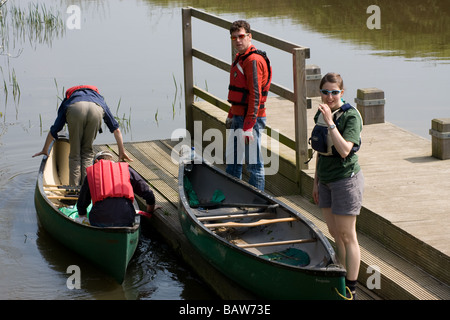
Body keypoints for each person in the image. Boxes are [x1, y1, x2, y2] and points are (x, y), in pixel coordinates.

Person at [311, 72, 364, 300]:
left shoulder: (351, 117)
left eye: (334, 92)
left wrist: (331, 122)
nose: (329, 96)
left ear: (342, 92)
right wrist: (316, 181)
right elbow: (320, 151)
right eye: (325, 92)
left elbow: (344, 150)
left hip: (346, 180)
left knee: (347, 234)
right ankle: (340, 277)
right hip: (325, 180)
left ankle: (351, 287)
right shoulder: (320, 113)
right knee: (334, 233)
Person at [32, 85, 132, 186]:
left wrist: (45, 149)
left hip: (75, 109)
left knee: (75, 154)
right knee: (87, 153)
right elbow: (116, 130)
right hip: (96, 109)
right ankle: (87, 190)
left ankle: (74, 190)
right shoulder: (99, 99)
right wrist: (121, 152)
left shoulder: (69, 99)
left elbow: (55, 129)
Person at [225, 20, 272, 191]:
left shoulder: (253, 60)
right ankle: (232, 196)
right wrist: (231, 114)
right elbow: (239, 93)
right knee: (233, 160)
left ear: (249, 36)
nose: (238, 40)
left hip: (250, 120)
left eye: (241, 36)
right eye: (234, 37)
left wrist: (249, 126)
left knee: (254, 164)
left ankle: (257, 202)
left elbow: (255, 94)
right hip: (238, 116)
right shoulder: (241, 57)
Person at [77, 151, 159, 227]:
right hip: (126, 219)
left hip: (99, 220)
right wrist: (150, 210)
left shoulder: (92, 174)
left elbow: (83, 201)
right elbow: (148, 194)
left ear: (96, 162)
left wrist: (82, 216)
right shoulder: (127, 170)